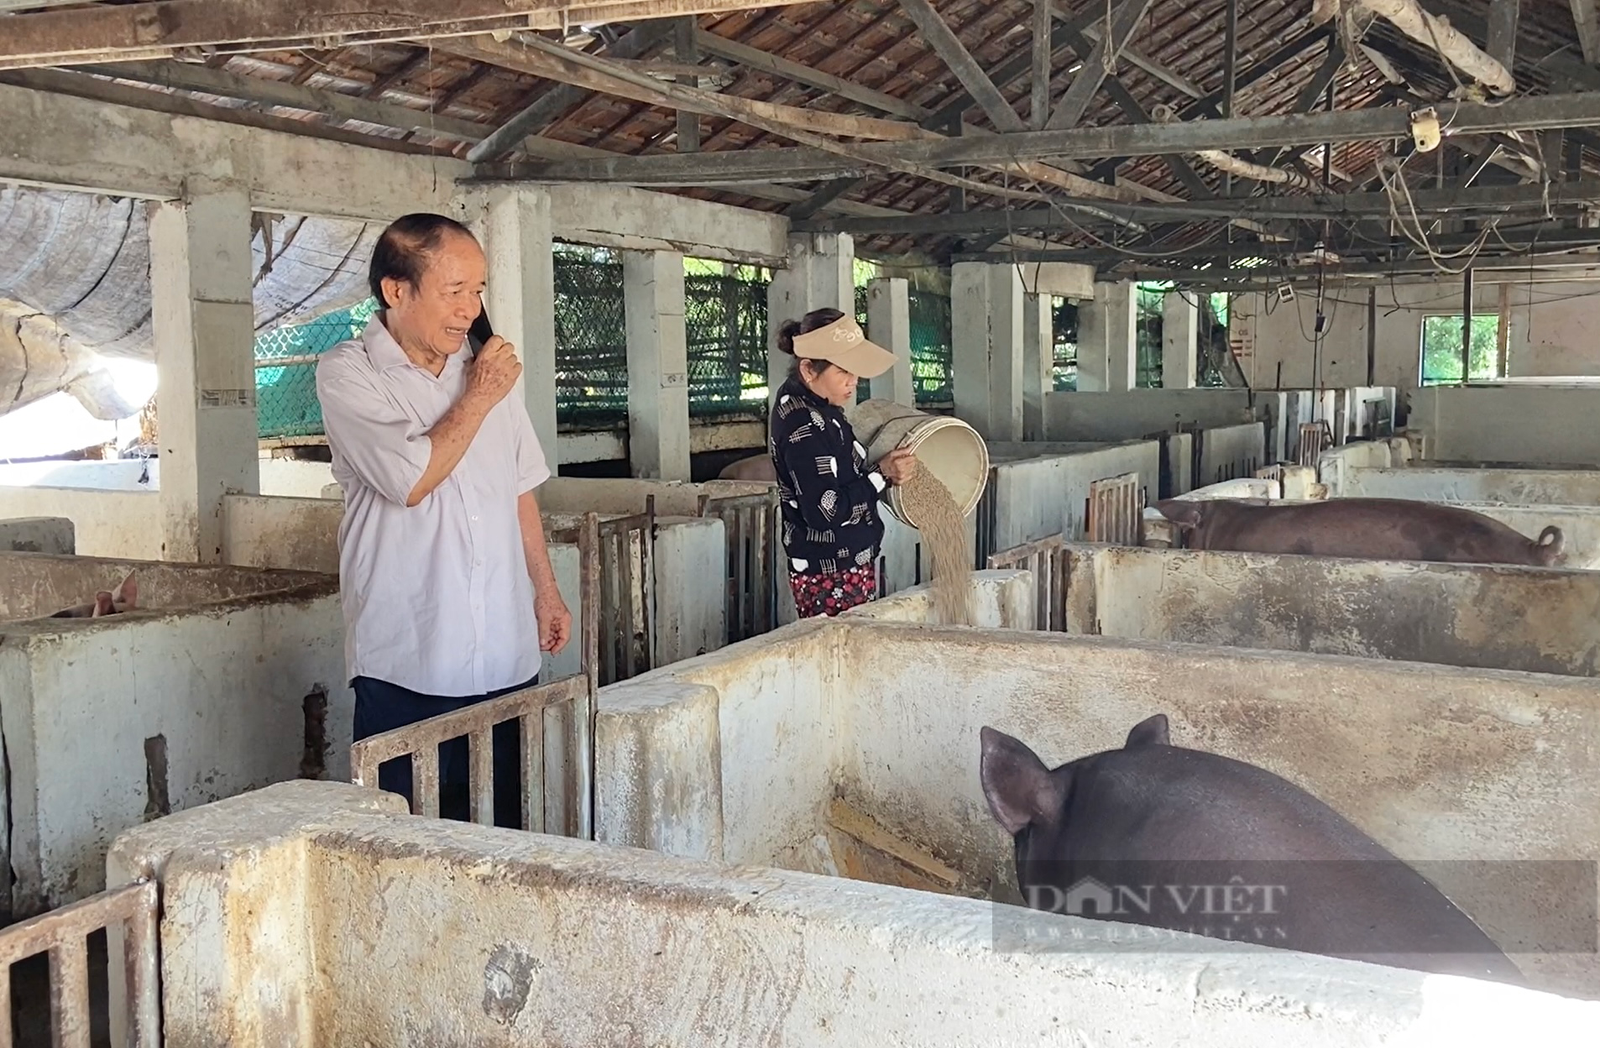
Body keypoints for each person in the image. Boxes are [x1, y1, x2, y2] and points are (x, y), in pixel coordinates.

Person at [315, 212, 571, 827]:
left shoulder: (486, 370)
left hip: (506, 652)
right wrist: (480, 394)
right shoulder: (350, 372)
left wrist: (545, 591)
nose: (469, 308)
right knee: (405, 837)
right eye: (454, 291)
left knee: (506, 826)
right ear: (396, 290)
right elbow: (409, 480)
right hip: (410, 656)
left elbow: (518, 490)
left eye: (478, 291)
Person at [769, 307, 917, 618]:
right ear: (809, 370)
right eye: (843, 372)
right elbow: (825, 510)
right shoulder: (803, 424)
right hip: (831, 573)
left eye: (855, 372)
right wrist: (882, 474)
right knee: (841, 655)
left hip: (847, 560)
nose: (854, 383)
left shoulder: (820, 404)